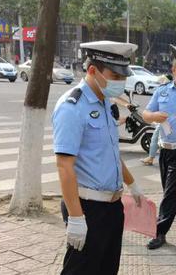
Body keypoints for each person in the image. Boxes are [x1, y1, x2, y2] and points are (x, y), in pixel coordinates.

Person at [53, 40, 144, 275]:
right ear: (92, 70)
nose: (120, 82)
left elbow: (110, 152)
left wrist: (132, 183)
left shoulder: (104, 103)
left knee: (107, 269)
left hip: (112, 208)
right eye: (114, 75)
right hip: (87, 208)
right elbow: (64, 166)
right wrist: (75, 217)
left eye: (122, 76)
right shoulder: (72, 107)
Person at [143, 59, 176, 249]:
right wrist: (154, 117)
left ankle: (159, 232)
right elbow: (146, 114)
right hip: (165, 150)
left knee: (170, 194)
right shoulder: (162, 91)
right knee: (173, 191)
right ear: (173, 70)